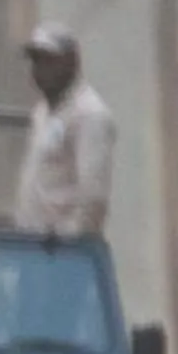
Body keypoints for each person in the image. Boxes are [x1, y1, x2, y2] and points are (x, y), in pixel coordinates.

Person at [13, 22, 114, 237]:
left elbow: (93, 196)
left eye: (49, 61)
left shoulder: (89, 114)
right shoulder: (43, 112)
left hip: (62, 251)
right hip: (32, 243)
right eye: (36, 61)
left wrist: (71, 240)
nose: (40, 70)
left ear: (71, 62)